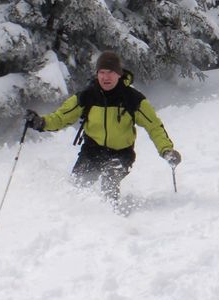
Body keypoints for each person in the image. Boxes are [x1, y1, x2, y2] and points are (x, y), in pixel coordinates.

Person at [26, 51, 182, 208]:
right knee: (78, 184)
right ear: (97, 74)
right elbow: (61, 117)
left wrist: (166, 150)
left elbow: (154, 126)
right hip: (92, 150)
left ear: (119, 74)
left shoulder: (132, 99)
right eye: (102, 72)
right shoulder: (87, 96)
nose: (106, 77)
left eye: (110, 72)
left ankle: (112, 214)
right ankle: (80, 216)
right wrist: (41, 123)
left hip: (122, 153)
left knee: (110, 177)